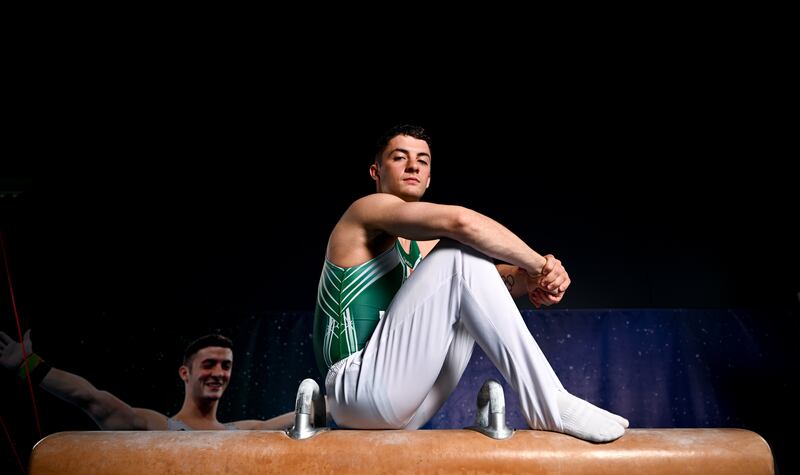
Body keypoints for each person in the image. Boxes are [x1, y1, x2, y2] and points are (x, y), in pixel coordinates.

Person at [313, 124, 628, 442]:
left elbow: (482, 281)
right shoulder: (363, 211)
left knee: (465, 261)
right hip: (355, 387)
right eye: (399, 157)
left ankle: (548, 397)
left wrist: (532, 281)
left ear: (429, 176)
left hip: (406, 402)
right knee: (461, 250)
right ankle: (548, 402)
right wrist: (538, 265)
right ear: (375, 170)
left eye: (423, 160)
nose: (413, 166)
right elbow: (462, 223)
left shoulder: (428, 251)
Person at [0, 330, 296, 430]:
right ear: (185, 373)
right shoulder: (155, 426)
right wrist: (30, 366)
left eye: (226, 366)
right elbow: (90, 397)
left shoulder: (242, 431)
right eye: (209, 364)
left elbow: (299, 417)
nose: (218, 373)